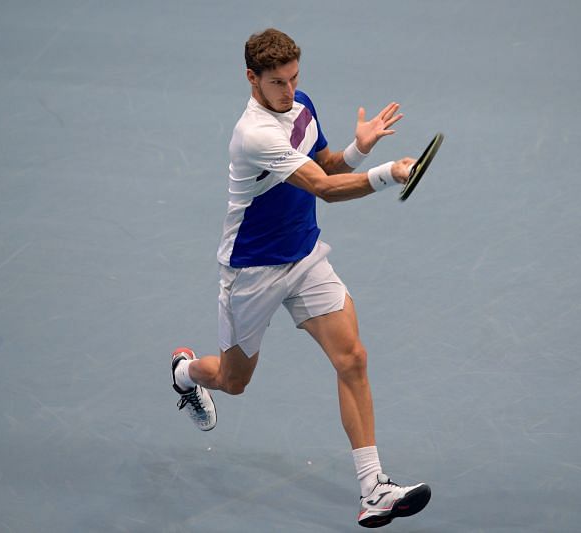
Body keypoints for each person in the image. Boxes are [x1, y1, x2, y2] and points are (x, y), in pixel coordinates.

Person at [169, 28, 431, 528]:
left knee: (351, 356)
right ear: (252, 79)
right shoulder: (254, 134)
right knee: (232, 380)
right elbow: (325, 189)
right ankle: (184, 374)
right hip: (252, 270)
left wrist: (357, 150)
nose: (289, 91)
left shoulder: (301, 104)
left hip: (304, 255)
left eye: (293, 79)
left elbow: (327, 165)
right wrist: (389, 173)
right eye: (277, 83)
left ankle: (374, 488)